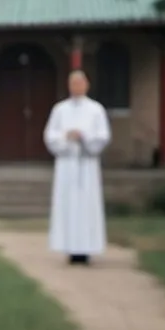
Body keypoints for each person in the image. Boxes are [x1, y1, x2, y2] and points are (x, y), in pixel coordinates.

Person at [43, 69, 111, 264]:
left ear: (86, 86)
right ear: (69, 86)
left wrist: (84, 137)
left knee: (86, 206)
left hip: (87, 165)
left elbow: (102, 136)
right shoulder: (60, 110)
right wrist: (65, 137)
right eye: (73, 84)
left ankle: (87, 249)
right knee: (68, 206)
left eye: (80, 83)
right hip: (67, 165)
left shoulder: (96, 109)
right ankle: (70, 248)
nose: (77, 87)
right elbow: (50, 135)